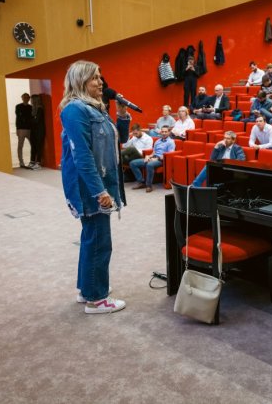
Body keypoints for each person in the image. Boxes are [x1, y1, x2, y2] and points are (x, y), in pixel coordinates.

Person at [59, 60, 124, 313]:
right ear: (80, 81)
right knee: (99, 240)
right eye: (94, 78)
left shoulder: (96, 108)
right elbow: (82, 155)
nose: (101, 82)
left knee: (91, 237)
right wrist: (100, 192)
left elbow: (118, 141)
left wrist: (123, 116)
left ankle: (88, 289)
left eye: (100, 77)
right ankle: (97, 299)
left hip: (99, 181)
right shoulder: (76, 109)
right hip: (90, 186)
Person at [129, 125, 175, 193]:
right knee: (133, 163)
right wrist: (149, 156)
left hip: (162, 160)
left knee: (149, 165)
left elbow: (169, 155)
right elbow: (154, 152)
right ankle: (141, 182)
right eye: (162, 131)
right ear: (160, 132)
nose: (164, 133)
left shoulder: (171, 142)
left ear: (169, 132)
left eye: (166, 132)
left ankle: (149, 186)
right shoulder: (158, 141)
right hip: (154, 158)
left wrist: (157, 159)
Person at [15, 92, 32, 168]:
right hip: (21, 129)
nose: (25, 99)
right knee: (20, 146)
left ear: (29, 98)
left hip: (30, 129)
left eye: (27, 97)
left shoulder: (31, 107)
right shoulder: (18, 106)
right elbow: (20, 116)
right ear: (22, 98)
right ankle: (21, 162)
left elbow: (29, 117)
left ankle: (32, 161)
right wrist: (17, 129)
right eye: (24, 97)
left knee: (33, 145)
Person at [28, 94, 45, 170]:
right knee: (33, 146)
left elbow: (36, 120)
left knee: (38, 146)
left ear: (35, 100)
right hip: (34, 131)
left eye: (32, 100)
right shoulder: (33, 109)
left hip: (39, 131)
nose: (31, 101)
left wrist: (30, 120)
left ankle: (38, 163)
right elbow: (33, 120)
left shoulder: (40, 109)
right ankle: (32, 162)